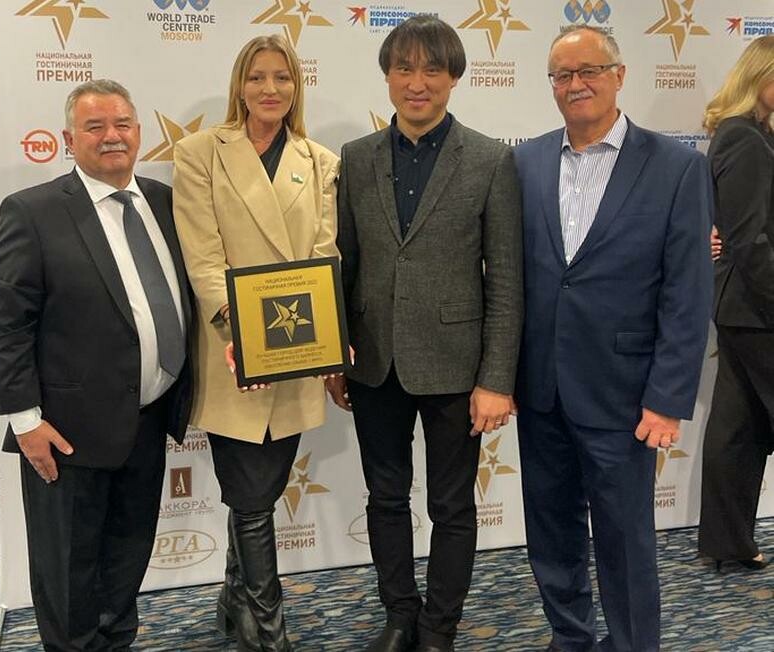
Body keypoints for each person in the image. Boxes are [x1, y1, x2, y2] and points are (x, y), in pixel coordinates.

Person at [513, 26, 714, 651]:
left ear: (620, 75)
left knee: (626, 540)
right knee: (551, 533)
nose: (576, 84)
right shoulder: (524, 162)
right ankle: (570, 638)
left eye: (590, 71)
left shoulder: (678, 167)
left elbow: (687, 293)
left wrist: (667, 398)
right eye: (562, 75)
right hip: (540, 387)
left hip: (625, 396)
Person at [328, 15, 523, 652]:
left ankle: (440, 626)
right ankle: (399, 615)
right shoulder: (356, 158)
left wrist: (496, 379)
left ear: (454, 78)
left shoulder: (491, 159)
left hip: (456, 366)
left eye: (432, 69)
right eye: (404, 68)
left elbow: (506, 281)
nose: (418, 83)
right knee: (385, 499)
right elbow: (345, 266)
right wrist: (334, 354)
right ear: (387, 76)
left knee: (452, 506)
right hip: (374, 362)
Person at [0, 79, 194, 651]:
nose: (111, 137)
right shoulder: (32, 212)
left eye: (122, 124)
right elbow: (7, 325)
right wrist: (25, 422)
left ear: (139, 133)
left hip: (148, 418)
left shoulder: (165, 201)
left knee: (127, 557)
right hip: (65, 432)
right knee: (69, 573)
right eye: (94, 127)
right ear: (68, 140)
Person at [172, 34, 339, 652]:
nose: (271, 89)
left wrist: (323, 339)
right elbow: (203, 256)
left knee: (262, 488)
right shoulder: (200, 153)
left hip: (295, 349)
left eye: (283, 77)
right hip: (232, 351)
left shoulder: (320, 161)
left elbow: (324, 255)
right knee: (250, 497)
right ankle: (269, 631)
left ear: (297, 86)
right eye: (258, 77)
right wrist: (243, 335)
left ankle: (232, 599)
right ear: (239, 85)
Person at [698, 34, 774, 572]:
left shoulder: (753, 134)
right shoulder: (744, 138)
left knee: (737, 424)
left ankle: (727, 542)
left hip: (744, 308)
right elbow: (749, 241)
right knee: (736, 425)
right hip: (758, 307)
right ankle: (727, 540)